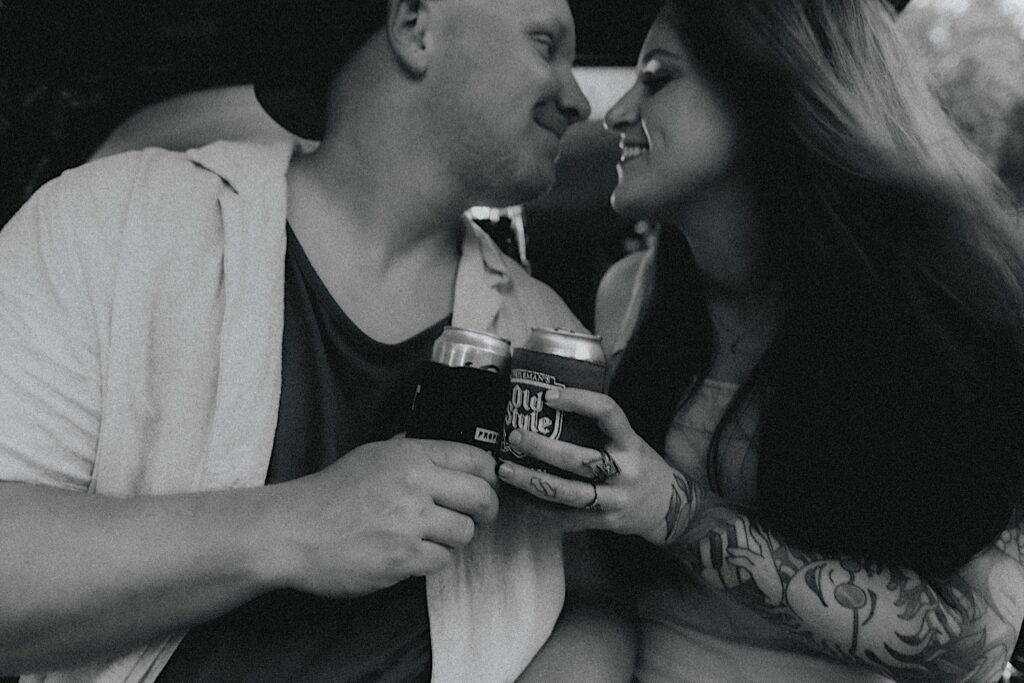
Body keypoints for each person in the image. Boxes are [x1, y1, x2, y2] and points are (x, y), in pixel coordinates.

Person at [0, 0, 598, 680]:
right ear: (415, 26)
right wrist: (298, 522)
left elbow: (596, 595)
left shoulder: (549, 339)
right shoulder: (109, 225)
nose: (577, 99)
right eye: (546, 45)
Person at [497, 1, 1024, 681]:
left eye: (659, 78)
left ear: (770, 88)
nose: (618, 112)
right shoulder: (626, 295)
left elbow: (973, 642)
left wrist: (677, 513)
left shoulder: (943, 315)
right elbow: (612, 595)